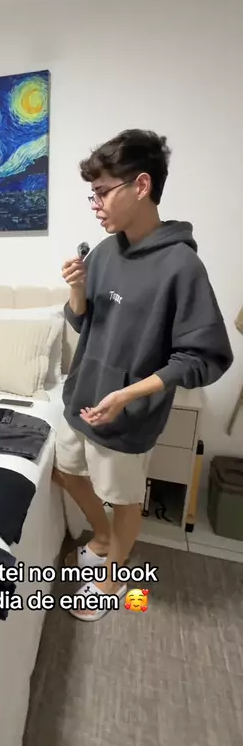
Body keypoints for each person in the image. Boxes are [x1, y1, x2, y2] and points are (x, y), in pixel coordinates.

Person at [53, 128, 233, 622]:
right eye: (91, 194)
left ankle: (112, 577)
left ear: (142, 185)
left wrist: (129, 394)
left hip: (126, 413)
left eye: (102, 192)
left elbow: (205, 357)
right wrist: (77, 289)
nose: (95, 205)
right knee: (64, 473)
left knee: (124, 499)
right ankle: (102, 538)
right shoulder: (104, 252)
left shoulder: (182, 266)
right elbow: (84, 323)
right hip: (81, 397)